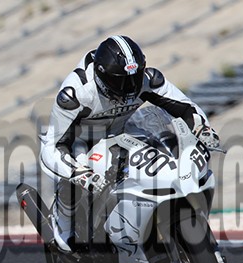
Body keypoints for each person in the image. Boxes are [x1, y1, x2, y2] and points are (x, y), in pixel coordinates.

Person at [39, 35, 220, 252]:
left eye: (133, 79)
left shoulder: (147, 79)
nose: (129, 88)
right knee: (74, 180)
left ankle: (142, 222)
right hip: (81, 141)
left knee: (162, 144)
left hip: (121, 132)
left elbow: (186, 108)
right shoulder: (75, 94)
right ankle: (64, 227)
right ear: (101, 76)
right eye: (120, 81)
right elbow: (52, 146)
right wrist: (78, 172)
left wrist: (202, 129)